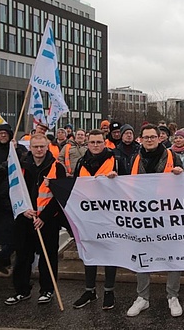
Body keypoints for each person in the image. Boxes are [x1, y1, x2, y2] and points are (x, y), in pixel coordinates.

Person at [126, 124, 184, 318]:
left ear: (160, 138)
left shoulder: (173, 157)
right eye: (146, 137)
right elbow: (127, 184)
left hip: (168, 215)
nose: (149, 140)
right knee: (143, 254)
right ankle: (142, 297)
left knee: (173, 255)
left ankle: (172, 296)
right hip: (142, 216)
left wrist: (180, 174)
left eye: (153, 137)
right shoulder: (135, 158)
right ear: (140, 139)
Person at [4, 134, 67, 306]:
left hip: (47, 220)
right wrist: (23, 210)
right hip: (25, 218)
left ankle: (47, 289)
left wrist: (44, 217)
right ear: (30, 147)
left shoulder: (57, 167)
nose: (39, 150)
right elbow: (14, 190)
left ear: (47, 147)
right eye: (35, 146)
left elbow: (59, 197)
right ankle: (21, 290)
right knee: (23, 256)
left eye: (42, 146)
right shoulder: (21, 167)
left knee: (48, 257)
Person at [72, 130, 119, 310]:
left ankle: (109, 290)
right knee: (89, 251)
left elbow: (127, 184)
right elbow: (75, 187)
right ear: (87, 143)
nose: (96, 145)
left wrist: (116, 179)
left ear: (104, 143)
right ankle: (89, 290)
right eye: (92, 142)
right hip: (88, 215)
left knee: (109, 253)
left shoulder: (115, 160)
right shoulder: (81, 162)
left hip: (109, 214)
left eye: (99, 142)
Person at [0, 124, 28, 274]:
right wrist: (4, 166)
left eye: (5, 134)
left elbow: (27, 161)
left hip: (16, 195)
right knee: (5, 231)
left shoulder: (18, 149)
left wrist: (17, 153)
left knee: (18, 231)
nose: (3, 136)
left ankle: (1, 258)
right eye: (0, 133)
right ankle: (2, 257)